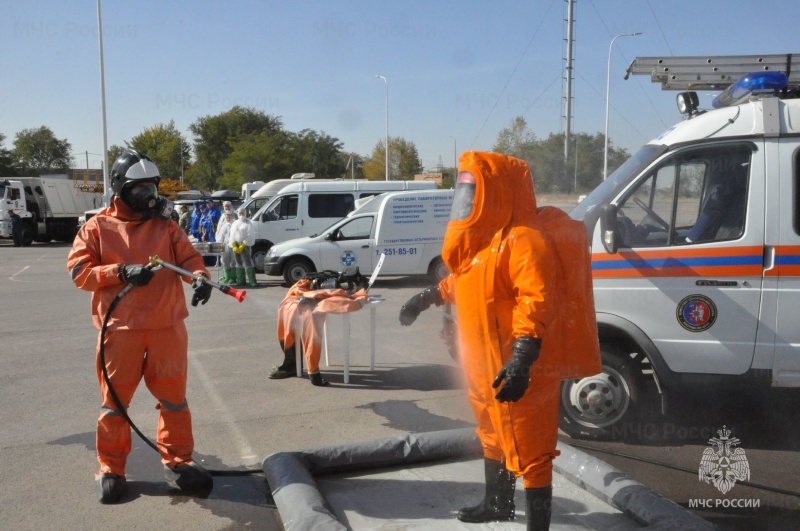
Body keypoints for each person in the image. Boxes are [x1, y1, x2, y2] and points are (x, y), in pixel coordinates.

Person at [399, 152, 599, 530]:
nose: (467, 203)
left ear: (498, 192)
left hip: (517, 367)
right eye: (465, 194)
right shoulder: (484, 244)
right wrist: (426, 298)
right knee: (491, 434)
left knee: (532, 447)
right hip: (483, 366)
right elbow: (464, 282)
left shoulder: (524, 241)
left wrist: (523, 356)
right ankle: (498, 504)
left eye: (473, 193)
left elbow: (537, 298)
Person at [66, 149, 215, 504]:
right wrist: (119, 272)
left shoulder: (166, 225)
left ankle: (179, 461)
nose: (148, 196)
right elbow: (79, 273)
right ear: (120, 188)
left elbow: (190, 258)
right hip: (120, 330)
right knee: (115, 404)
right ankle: (112, 468)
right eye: (139, 189)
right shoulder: (97, 227)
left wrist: (200, 277)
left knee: (174, 402)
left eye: (151, 187)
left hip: (167, 327)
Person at [229, 206, 257, 287]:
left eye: (243, 213)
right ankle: (241, 280)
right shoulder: (235, 223)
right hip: (236, 244)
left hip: (245, 245)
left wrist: (243, 244)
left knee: (248, 262)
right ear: (237, 214)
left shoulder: (248, 223)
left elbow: (250, 234)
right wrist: (233, 244)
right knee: (238, 262)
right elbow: (232, 235)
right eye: (240, 213)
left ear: (245, 213)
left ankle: (252, 280)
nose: (241, 215)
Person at [215, 210, 236, 283]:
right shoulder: (224, 226)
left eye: (229, 216)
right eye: (226, 216)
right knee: (225, 261)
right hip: (225, 246)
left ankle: (233, 277)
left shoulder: (234, 225)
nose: (228, 217)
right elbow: (220, 237)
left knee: (233, 261)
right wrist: (219, 246)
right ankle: (227, 277)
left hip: (233, 246)